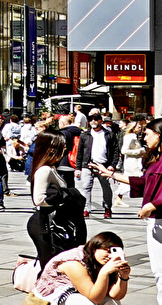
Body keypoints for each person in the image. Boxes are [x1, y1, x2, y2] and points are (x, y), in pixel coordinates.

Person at [97, 117, 162, 303]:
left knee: (160, 270)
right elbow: (143, 183)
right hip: (156, 220)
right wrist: (112, 174)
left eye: (148, 134)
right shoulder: (155, 159)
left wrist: (153, 204)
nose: (144, 138)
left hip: (159, 219)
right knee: (159, 270)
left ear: (159, 135)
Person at [29, 131, 87, 268]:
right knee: (51, 264)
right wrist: (65, 197)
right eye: (63, 146)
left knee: (54, 262)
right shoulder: (45, 170)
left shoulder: (51, 168)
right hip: (47, 224)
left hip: (52, 222)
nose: (65, 149)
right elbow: (39, 199)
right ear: (51, 149)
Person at [31, 231, 130, 303]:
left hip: (83, 291)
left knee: (112, 302)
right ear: (95, 248)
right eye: (107, 250)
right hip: (51, 297)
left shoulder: (106, 262)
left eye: (114, 251)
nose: (110, 256)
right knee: (83, 303)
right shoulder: (74, 263)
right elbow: (95, 298)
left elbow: (115, 295)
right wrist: (104, 273)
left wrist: (123, 277)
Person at [80, 111, 119, 219]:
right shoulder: (85, 135)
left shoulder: (109, 134)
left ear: (101, 121)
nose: (93, 121)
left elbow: (116, 150)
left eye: (96, 119)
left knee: (106, 187)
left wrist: (112, 165)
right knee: (86, 187)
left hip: (103, 166)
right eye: (91, 119)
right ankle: (86, 209)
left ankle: (107, 208)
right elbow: (80, 152)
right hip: (88, 164)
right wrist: (78, 168)